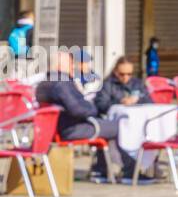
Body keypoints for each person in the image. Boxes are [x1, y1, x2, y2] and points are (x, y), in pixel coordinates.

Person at [35, 51, 132, 183]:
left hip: (57, 129)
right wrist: (92, 108)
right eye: (69, 64)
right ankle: (129, 170)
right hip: (71, 129)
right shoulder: (61, 84)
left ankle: (101, 169)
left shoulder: (44, 84)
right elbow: (78, 109)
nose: (73, 67)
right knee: (119, 126)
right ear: (59, 65)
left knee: (106, 125)